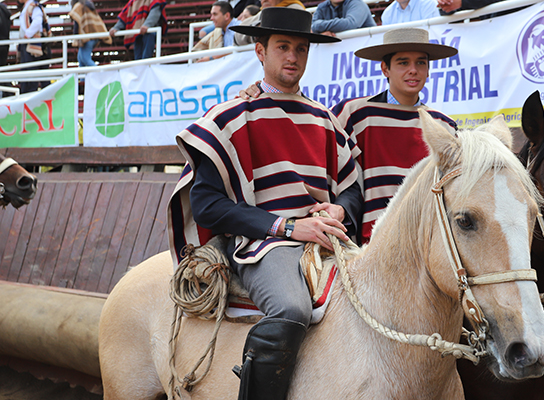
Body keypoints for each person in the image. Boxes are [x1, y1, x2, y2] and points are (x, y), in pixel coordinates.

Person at [168, 7, 362, 400]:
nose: (293, 57)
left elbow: (353, 189)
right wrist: (288, 227)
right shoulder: (230, 117)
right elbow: (206, 206)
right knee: (292, 308)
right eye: (283, 47)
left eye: (302, 49)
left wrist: (340, 208)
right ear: (260, 51)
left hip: (328, 239)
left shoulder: (324, 119)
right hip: (262, 246)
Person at [331, 27, 457, 243]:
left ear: (428, 70)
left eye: (421, 63)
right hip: (367, 246)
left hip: (426, 243)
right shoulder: (355, 114)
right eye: (403, 62)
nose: (413, 70)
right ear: (385, 69)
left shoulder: (444, 125)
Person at [233, 0, 305, 46]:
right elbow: (237, 34)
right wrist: (257, 31)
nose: (264, 0)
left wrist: (255, 32)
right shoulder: (263, 12)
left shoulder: (295, 8)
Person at [17, 0, 50, 93]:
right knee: (29, 72)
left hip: (32, 44)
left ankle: (29, 95)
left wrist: (28, 34)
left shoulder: (33, 6)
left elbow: (37, 22)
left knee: (31, 72)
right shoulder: (31, 6)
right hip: (30, 43)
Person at [68, 0, 111, 67]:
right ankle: (82, 77)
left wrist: (76, 36)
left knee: (85, 59)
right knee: (81, 59)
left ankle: (100, 74)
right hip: (94, 36)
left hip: (87, 37)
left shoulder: (79, 6)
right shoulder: (89, 5)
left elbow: (77, 22)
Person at [311, 0, 375, 37]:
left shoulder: (357, 3)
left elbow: (350, 24)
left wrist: (318, 26)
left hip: (365, 52)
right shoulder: (322, 7)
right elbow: (310, 29)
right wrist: (320, 34)